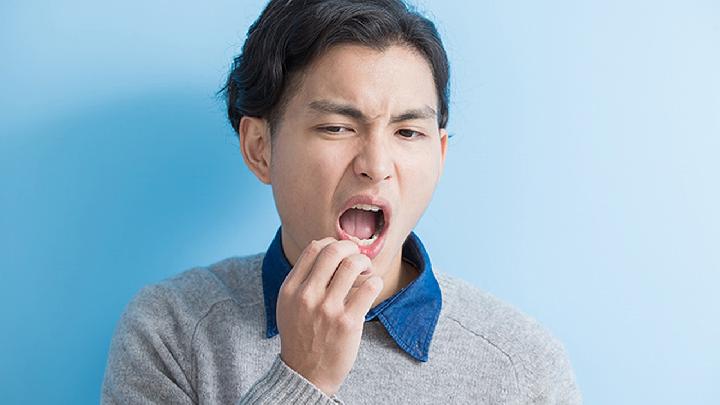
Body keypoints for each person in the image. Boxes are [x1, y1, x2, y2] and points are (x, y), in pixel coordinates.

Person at [101, 0, 582, 403]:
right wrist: (301, 377)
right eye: (337, 127)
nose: (376, 163)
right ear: (259, 148)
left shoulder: (523, 367)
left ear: (438, 155)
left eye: (408, 131)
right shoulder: (171, 331)